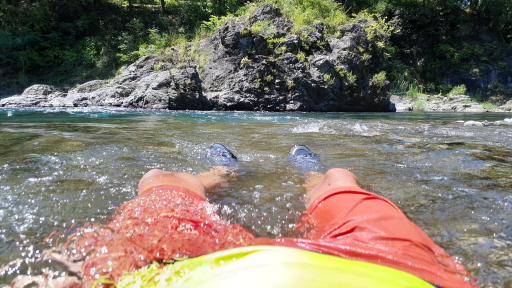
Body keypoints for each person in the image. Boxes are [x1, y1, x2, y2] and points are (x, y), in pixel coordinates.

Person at [9, 144, 479, 288]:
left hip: (191, 274)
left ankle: (223, 172)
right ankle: (311, 174)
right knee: (341, 179)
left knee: (158, 179)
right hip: (395, 270)